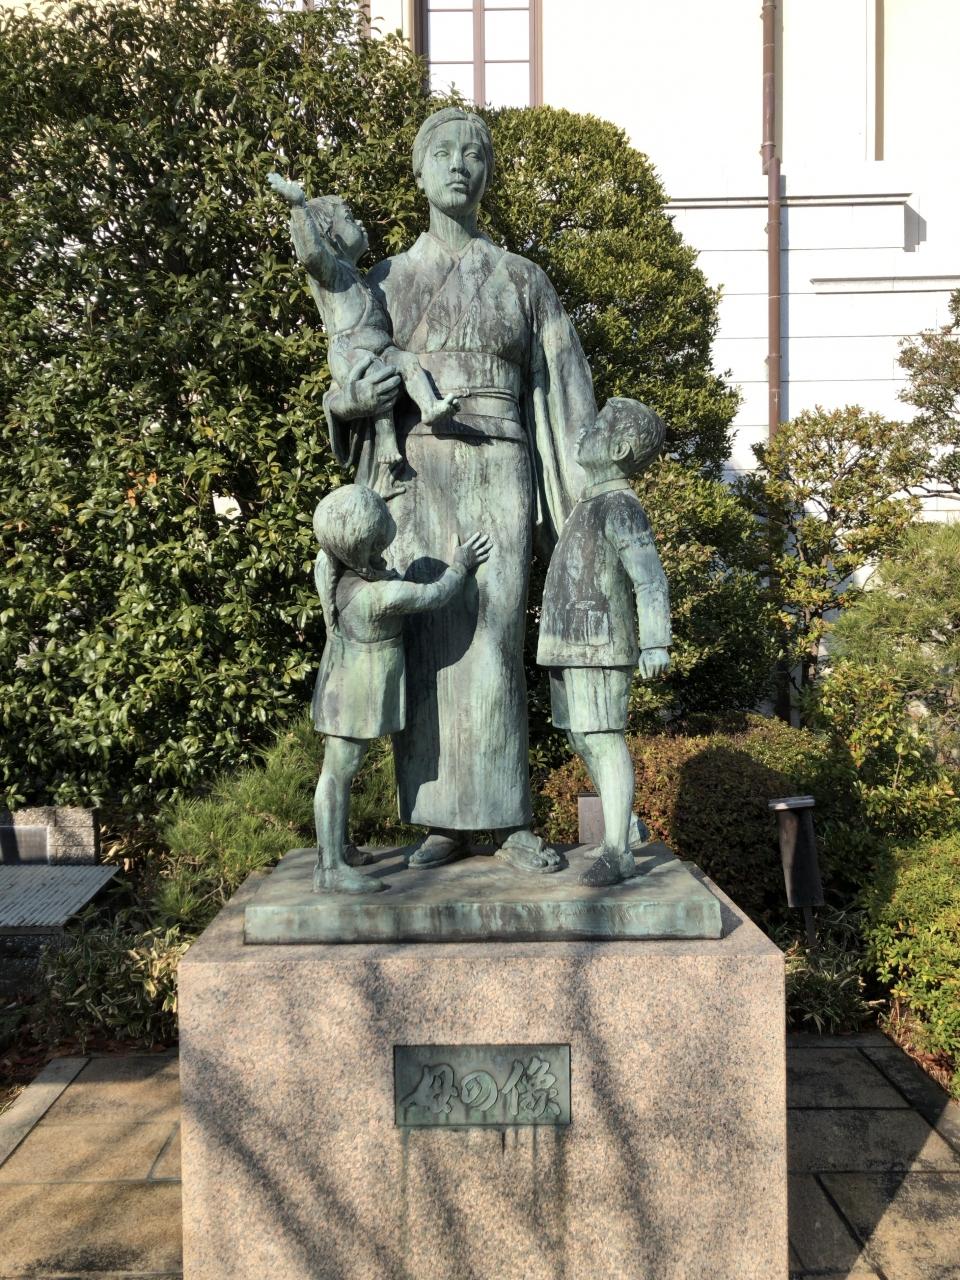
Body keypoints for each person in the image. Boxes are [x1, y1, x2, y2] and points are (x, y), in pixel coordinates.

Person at [322, 107, 597, 873]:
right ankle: (440, 819)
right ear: (418, 171)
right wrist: (351, 402)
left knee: (495, 635)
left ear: (486, 173)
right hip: (416, 475)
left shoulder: (522, 278)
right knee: (428, 639)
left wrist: (588, 496)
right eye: (442, 152)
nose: (458, 165)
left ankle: (508, 820)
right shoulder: (385, 281)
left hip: (500, 465)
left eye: (473, 153)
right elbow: (348, 378)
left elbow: (566, 390)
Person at [310, 483, 491, 893]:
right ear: (372, 543)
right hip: (357, 691)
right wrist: (460, 565)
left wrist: (378, 496)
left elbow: (340, 531)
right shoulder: (381, 596)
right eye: (383, 522)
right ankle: (330, 867)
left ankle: (337, 847)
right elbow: (436, 594)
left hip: (339, 678)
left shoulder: (331, 564)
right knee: (338, 771)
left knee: (339, 770)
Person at [536, 399, 671, 887]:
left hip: (599, 643)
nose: (583, 432)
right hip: (569, 644)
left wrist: (655, 642)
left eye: (596, 427)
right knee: (579, 735)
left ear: (617, 448)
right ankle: (625, 825)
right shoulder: (589, 502)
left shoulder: (620, 505)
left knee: (604, 737)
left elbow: (649, 578)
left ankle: (618, 851)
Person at [268, 174, 462, 493]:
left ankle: (430, 406)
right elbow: (311, 254)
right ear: (330, 236)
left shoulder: (365, 277)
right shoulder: (331, 272)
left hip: (380, 346)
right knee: (378, 380)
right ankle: (386, 441)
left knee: (407, 361)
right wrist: (299, 207)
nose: (358, 221)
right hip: (351, 351)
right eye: (348, 217)